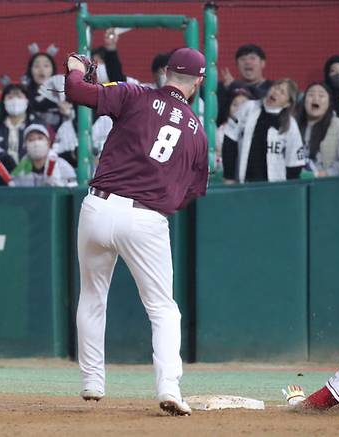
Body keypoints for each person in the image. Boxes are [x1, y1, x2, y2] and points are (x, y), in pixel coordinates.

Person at [64, 47, 209, 416]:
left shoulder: (135, 93)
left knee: (93, 296)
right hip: (147, 218)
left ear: (165, 72)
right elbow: (194, 191)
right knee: (163, 310)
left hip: (98, 206)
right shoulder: (197, 132)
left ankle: (92, 381)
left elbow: (78, 92)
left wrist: (76, 69)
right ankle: (168, 388)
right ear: (199, 82)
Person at [222, 78, 305, 183]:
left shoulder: (290, 124)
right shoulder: (249, 107)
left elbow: (294, 162)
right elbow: (230, 139)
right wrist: (229, 176)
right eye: (275, 87)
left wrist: (288, 190)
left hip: (275, 187)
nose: (276, 92)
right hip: (245, 182)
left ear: (287, 103)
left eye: (282, 92)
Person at [296, 82, 339, 176]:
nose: (316, 98)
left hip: (327, 184)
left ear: (329, 103)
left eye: (321, 95)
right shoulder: (292, 125)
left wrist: (326, 174)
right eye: (311, 95)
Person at [217, 44, 273, 125]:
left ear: (263, 63)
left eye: (252, 58)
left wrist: (235, 86)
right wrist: (227, 90)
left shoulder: (272, 88)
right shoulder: (227, 87)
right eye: (242, 59)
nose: (247, 62)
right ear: (237, 65)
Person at [11, 122, 76, 187]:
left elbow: (73, 190)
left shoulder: (62, 166)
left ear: (48, 143)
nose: (36, 143)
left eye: (40, 138)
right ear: (25, 145)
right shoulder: (20, 170)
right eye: (31, 139)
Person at [0, 83, 37, 164]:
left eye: (19, 97)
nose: (15, 101)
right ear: (4, 102)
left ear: (27, 101)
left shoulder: (37, 127)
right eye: (10, 97)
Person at [25, 51, 72, 129]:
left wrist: (68, 113)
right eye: (36, 66)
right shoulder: (25, 97)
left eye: (46, 66)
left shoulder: (66, 96)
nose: (41, 70)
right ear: (30, 71)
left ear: (53, 70)